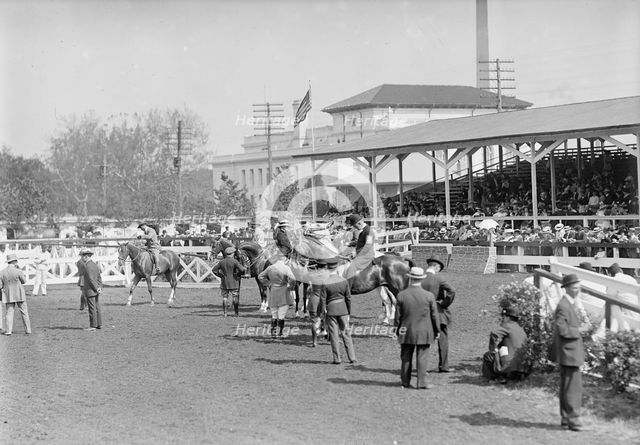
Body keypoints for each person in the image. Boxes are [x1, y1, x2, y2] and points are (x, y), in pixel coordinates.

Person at [550, 274, 587, 432]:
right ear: (566, 288)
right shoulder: (564, 305)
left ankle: (566, 418)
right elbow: (562, 329)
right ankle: (573, 419)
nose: (577, 289)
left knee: (567, 386)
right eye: (574, 287)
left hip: (568, 352)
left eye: (578, 286)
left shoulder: (568, 303)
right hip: (569, 352)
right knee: (573, 387)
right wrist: (580, 330)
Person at [395, 267, 440, 389]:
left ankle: (405, 381)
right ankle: (421, 382)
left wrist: (397, 330)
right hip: (424, 330)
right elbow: (434, 315)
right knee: (422, 357)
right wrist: (437, 330)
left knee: (405, 357)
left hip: (406, 330)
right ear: (421, 279)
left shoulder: (401, 295)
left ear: (410, 278)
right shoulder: (429, 296)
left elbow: (398, 317)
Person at [420, 257, 456, 372]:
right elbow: (452, 290)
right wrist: (444, 304)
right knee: (443, 340)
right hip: (438, 312)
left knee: (423, 342)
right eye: (438, 269)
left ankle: (422, 367)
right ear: (436, 266)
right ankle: (443, 366)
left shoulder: (418, 279)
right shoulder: (438, 279)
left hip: (422, 313)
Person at [321, 257, 356, 364]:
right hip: (343, 309)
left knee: (334, 335)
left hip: (331, 309)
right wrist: (348, 312)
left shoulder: (325, 282)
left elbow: (323, 300)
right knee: (346, 333)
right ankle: (352, 357)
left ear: (327, 267)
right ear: (337, 267)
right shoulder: (344, 281)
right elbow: (348, 298)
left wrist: (323, 313)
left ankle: (337, 359)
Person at [482, 307, 528, 383]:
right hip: (523, 367)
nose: (503, 319)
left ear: (508, 317)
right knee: (503, 349)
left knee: (488, 355)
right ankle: (514, 376)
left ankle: (496, 378)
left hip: (509, 366)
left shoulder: (507, 326)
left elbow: (494, 334)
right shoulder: (520, 329)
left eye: (504, 317)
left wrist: (493, 349)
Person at [258, 253, 296, 338]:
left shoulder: (270, 268)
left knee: (274, 314)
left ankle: (273, 332)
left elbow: (260, 276)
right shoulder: (286, 268)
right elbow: (293, 278)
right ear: (283, 259)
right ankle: (280, 333)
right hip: (284, 292)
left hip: (274, 291)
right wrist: (291, 287)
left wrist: (268, 284)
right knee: (282, 315)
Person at [0, 253, 32, 335]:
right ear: (14, 262)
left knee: (9, 313)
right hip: (19, 293)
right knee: (24, 312)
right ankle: (28, 330)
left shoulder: (2, 272)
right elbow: (24, 281)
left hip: (8, 294)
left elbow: (0, 285)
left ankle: (8, 331)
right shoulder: (18, 271)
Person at [212, 247, 246, 317]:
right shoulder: (235, 261)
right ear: (232, 254)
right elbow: (242, 270)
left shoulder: (222, 262)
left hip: (224, 282)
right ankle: (236, 313)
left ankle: (225, 313)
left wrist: (220, 275)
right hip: (234, 282)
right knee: (235, 297)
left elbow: (214, 270)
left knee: (225, 297)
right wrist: (239, 273)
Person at [305, 258, 329, 347]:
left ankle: (314, 341)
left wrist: (307, 265)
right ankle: (328, 335)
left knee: (314, 321)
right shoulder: (328, 274)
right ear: (325, 265)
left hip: (314, 299)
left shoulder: (312, 274)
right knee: (328, 319)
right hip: (324, 299)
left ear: (317, 265)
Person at [345, 214, 375, 278]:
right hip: (362, 254)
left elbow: (368, 246)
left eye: (354, 226)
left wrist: (356, 253)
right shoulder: (363, 231)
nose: (355, 228)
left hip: (367, 256)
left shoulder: (368, 231)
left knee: (352, 267)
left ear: (359, 223)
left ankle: (349, 285)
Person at [81, 249, 102, 331]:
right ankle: (99, 324)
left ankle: (93, 325)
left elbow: (91, 279)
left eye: (82, 256)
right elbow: (99, 277)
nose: (82, 258)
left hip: (90, 290)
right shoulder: (94, 264)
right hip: (96, 289)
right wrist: (99, 287)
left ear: (86, 257)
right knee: (97, 307)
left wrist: (96, 288)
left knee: (92, 308)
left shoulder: (87, 266)